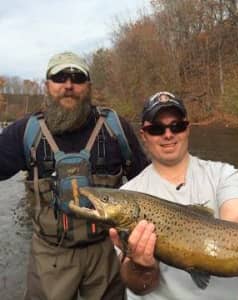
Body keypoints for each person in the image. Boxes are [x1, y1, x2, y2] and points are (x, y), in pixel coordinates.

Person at [109, 91, 238, 300]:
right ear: (143, 135)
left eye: (176, 126)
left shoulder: (223, 174)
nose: (168, 134)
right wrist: (141, 267)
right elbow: (139, 286)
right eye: (156, 129)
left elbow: (237, 217)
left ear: (187, 129)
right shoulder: (128, 195)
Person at [0, 51, 149, 300]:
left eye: (77, 78)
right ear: (47, 85)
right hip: (49, 254)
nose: (69, 85)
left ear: (88, 86)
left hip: (107, 250)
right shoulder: (25, 132)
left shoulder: (115, 129)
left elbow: (147, 184)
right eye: (60, 78)